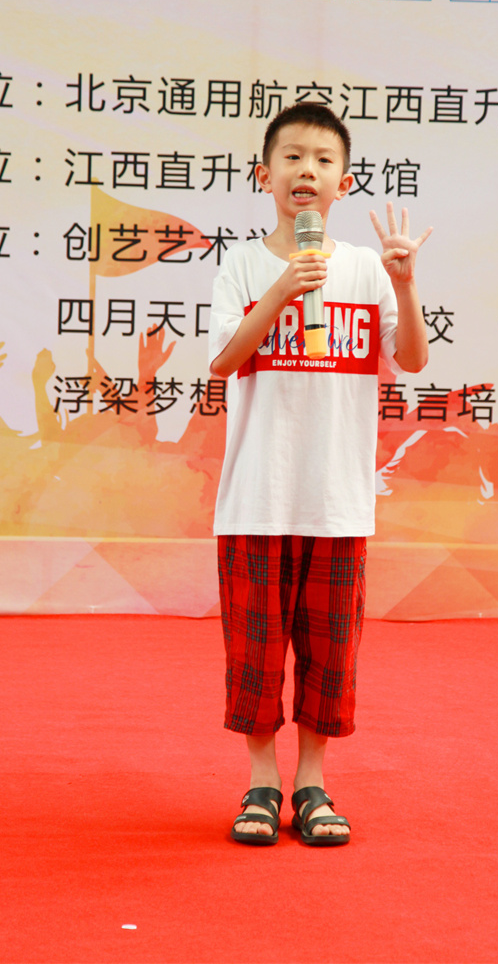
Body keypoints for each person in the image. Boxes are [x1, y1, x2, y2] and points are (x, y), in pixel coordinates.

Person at [209, 102, 432, 845]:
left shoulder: (366, 268)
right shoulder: (242, 265)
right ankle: (260, 783)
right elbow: (223, 361)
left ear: (344, 181)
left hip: (336, 499)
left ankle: (312, 782)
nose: (307, 170)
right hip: (257, 496)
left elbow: (413, 360)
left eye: (324, 160)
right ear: (264, 173)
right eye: (293, 157)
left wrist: (405, 282)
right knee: (256, 650)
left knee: (329, 650)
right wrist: (280, 289)